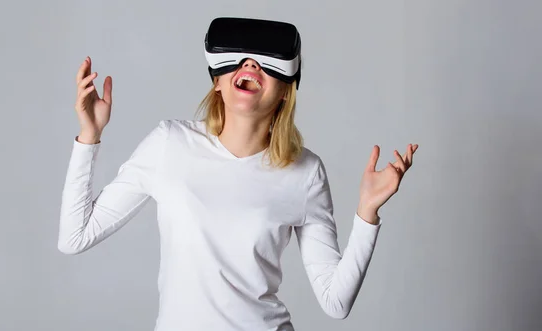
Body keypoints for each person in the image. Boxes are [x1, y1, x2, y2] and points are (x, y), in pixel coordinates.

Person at [58, 17, 417, 331]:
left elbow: (335, 303)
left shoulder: (305, 172)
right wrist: (89, 136)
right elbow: (74, 237)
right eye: (240, 58)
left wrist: (367, 212)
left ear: (285, 93)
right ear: (217, 81)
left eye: (265, 61)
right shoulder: (170, 143)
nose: (249, 63)